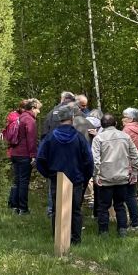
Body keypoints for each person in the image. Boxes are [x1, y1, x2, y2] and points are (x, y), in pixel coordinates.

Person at [36, 103, 94, 244]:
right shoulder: (79, 137)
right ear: (72, 118)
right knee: (75, 210)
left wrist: (49, 174)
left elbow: (40, 159)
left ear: (59, 119)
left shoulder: (50, 138)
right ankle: (75, 239)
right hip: (76, 178)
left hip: (57, 178)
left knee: (57, 209)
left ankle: (58, 237)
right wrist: (86, 177)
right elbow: (88, 160)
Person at [91, 113, 138, 237]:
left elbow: (95, 160)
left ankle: (103, 232)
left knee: (103, 206)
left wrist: (96, 175)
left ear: (101, 125)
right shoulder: (125, 136)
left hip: (105, 178)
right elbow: (136, 156)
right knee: (120, 205)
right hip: (122, 177)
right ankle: (122, 230)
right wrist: (134, 172)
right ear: (116, 124)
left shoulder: (98, 138)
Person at [40, 92, 76, 217]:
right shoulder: (74, 113)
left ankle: (52, 210)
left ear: (62, 99)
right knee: (72, 183)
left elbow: (44, 134)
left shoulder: (51, 113)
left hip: (53, 152)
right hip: (71, 154)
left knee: (54, 183)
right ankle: (70, 212)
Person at [9, 98, 41, 215]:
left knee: (17, 181)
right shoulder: (29, 120)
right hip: (24, 154)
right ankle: (23, 208)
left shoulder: (20, 117)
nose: (39, 112)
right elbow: (31, 140)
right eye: (38, 109)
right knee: (23, 182)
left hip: (14, 153)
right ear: (32, 108)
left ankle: (15, 207)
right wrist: (33, 156)